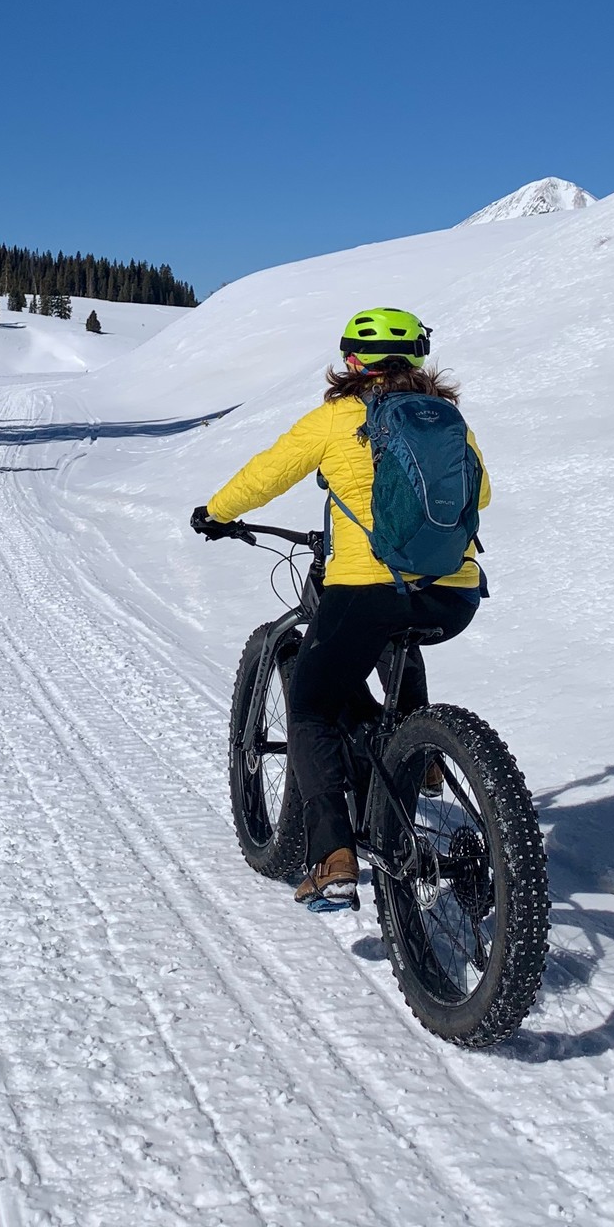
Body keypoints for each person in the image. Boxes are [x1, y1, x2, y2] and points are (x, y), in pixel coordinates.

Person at [191, 307, 489, 912]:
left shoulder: (336, 418)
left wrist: (216, 513)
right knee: (394, 637)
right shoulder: (446, 419)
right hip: (454, 593)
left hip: (365, 587)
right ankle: (418, 752)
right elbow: (480, 493)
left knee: (311, 704)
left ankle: (332, 855)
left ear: (352, 360)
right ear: (418, 359)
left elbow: (265, 474)